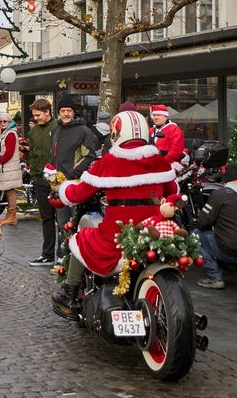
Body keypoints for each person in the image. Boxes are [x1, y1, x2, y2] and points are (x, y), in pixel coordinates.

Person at [52, 110, 176, 320]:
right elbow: (173, 190)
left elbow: (79, 192)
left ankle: (69, 295)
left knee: (80, 239)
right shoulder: (158, 160)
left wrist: (63, 189)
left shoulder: (111, 160)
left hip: (116, 238)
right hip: (151, 232)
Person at [50, 93, 97, 265]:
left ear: (74, 112)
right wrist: (50, 172)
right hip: (58, 185)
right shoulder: (56, 130)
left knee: (76, 221)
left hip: (75, 185)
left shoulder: (84, 131)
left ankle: (78, 259)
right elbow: (53, 155)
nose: (66, 113)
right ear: (59, 112)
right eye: (63, 110)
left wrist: (74, 172)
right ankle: (62, 257)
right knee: (62, 222)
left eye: (69, 110)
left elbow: (90, 156)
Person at [27, 99, 58, 266]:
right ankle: (47, 254)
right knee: (46, 218)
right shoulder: (33, 132)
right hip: (39, 179)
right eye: (34, 115)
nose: (35, 118)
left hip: (56, 179)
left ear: (47, 112)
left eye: (38, 115)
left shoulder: (58, 128)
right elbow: (32, 153)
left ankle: (63, 255)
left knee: (62, 219)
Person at [0, 112, 22, 226]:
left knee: (10, 191)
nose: (2, 123)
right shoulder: (4, 133)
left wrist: (0, 160)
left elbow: (9, 152)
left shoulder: (10, 134)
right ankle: (10, 216)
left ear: (9, 122)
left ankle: (12, 216)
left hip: (8, 167)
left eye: (4, 121)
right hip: (5, 167)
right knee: (9, 191)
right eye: (0, 121)